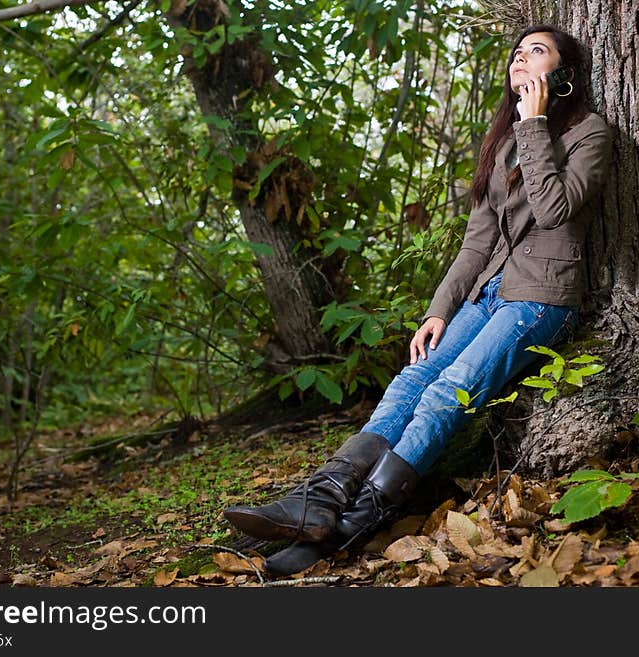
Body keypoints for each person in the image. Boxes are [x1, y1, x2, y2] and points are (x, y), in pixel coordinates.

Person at [223, 24, 613, 576]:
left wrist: (533, 124)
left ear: (565, 75)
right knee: (411, 381)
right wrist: (438, 310)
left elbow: (553, 210)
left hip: (541, 297)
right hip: (487, 293)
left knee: (447, 394)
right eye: (517, 51)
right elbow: (478, 241)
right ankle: (317, 503)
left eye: (538, 52)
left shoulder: (589, 132)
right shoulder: (503, 143)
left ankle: (344, 530)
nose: (521, 59)